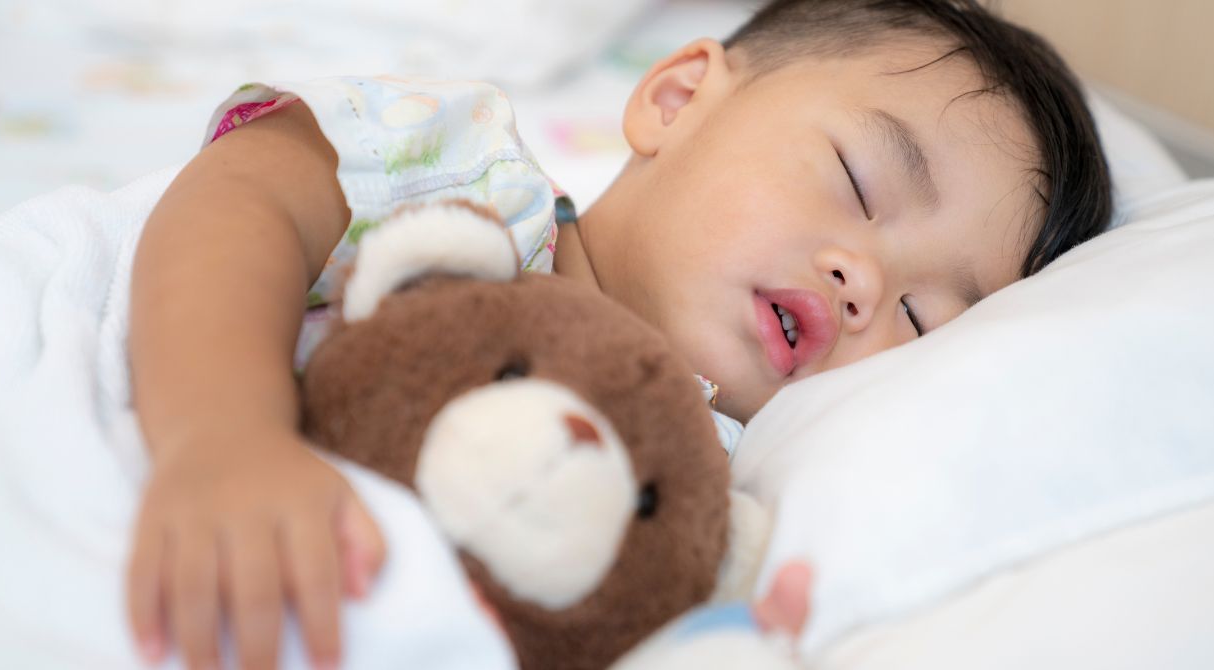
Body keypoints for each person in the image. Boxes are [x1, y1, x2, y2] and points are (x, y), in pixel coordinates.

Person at [125, 0, 1113, 667]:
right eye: (857, 183)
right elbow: (240, 201)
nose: (867, 281)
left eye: (920, 316)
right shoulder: (466, 182)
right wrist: (223, 435)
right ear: (676, 99)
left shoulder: (720, 481)